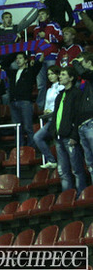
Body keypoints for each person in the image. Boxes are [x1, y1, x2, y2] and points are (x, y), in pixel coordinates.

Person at [50, 67, 86, 196]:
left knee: (77, 170)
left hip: (70, 137)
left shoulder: (77, 94)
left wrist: (74, 135)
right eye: (60, 74)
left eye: (63, 74)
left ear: (71, 78)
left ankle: (81, 197)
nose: (60, 76)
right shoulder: (60, 95)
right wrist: (53, 132)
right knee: (62, 171)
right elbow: (55, 116)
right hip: (59, 137)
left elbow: (78, 117)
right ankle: (67, 198)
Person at [32, 65, 64, 170]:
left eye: (52, 74)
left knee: (59, 143)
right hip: (50, 120)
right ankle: (51, 160)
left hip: (59, 119)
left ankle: (63, 164)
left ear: (58, 74)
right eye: (48, 74)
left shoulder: (61, 87)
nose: (50, 76)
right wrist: (46, 111)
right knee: (37, 137)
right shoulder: (49, 90)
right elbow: (46, 106)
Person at [72, 53, 93, 182]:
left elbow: (83, 73)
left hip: (91, 121)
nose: (80, 65)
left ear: (89, 63)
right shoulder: (84, 82)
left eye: (82, 62)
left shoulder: (90, 75)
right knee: (90, 163)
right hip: (82, 123)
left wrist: (75, 62)